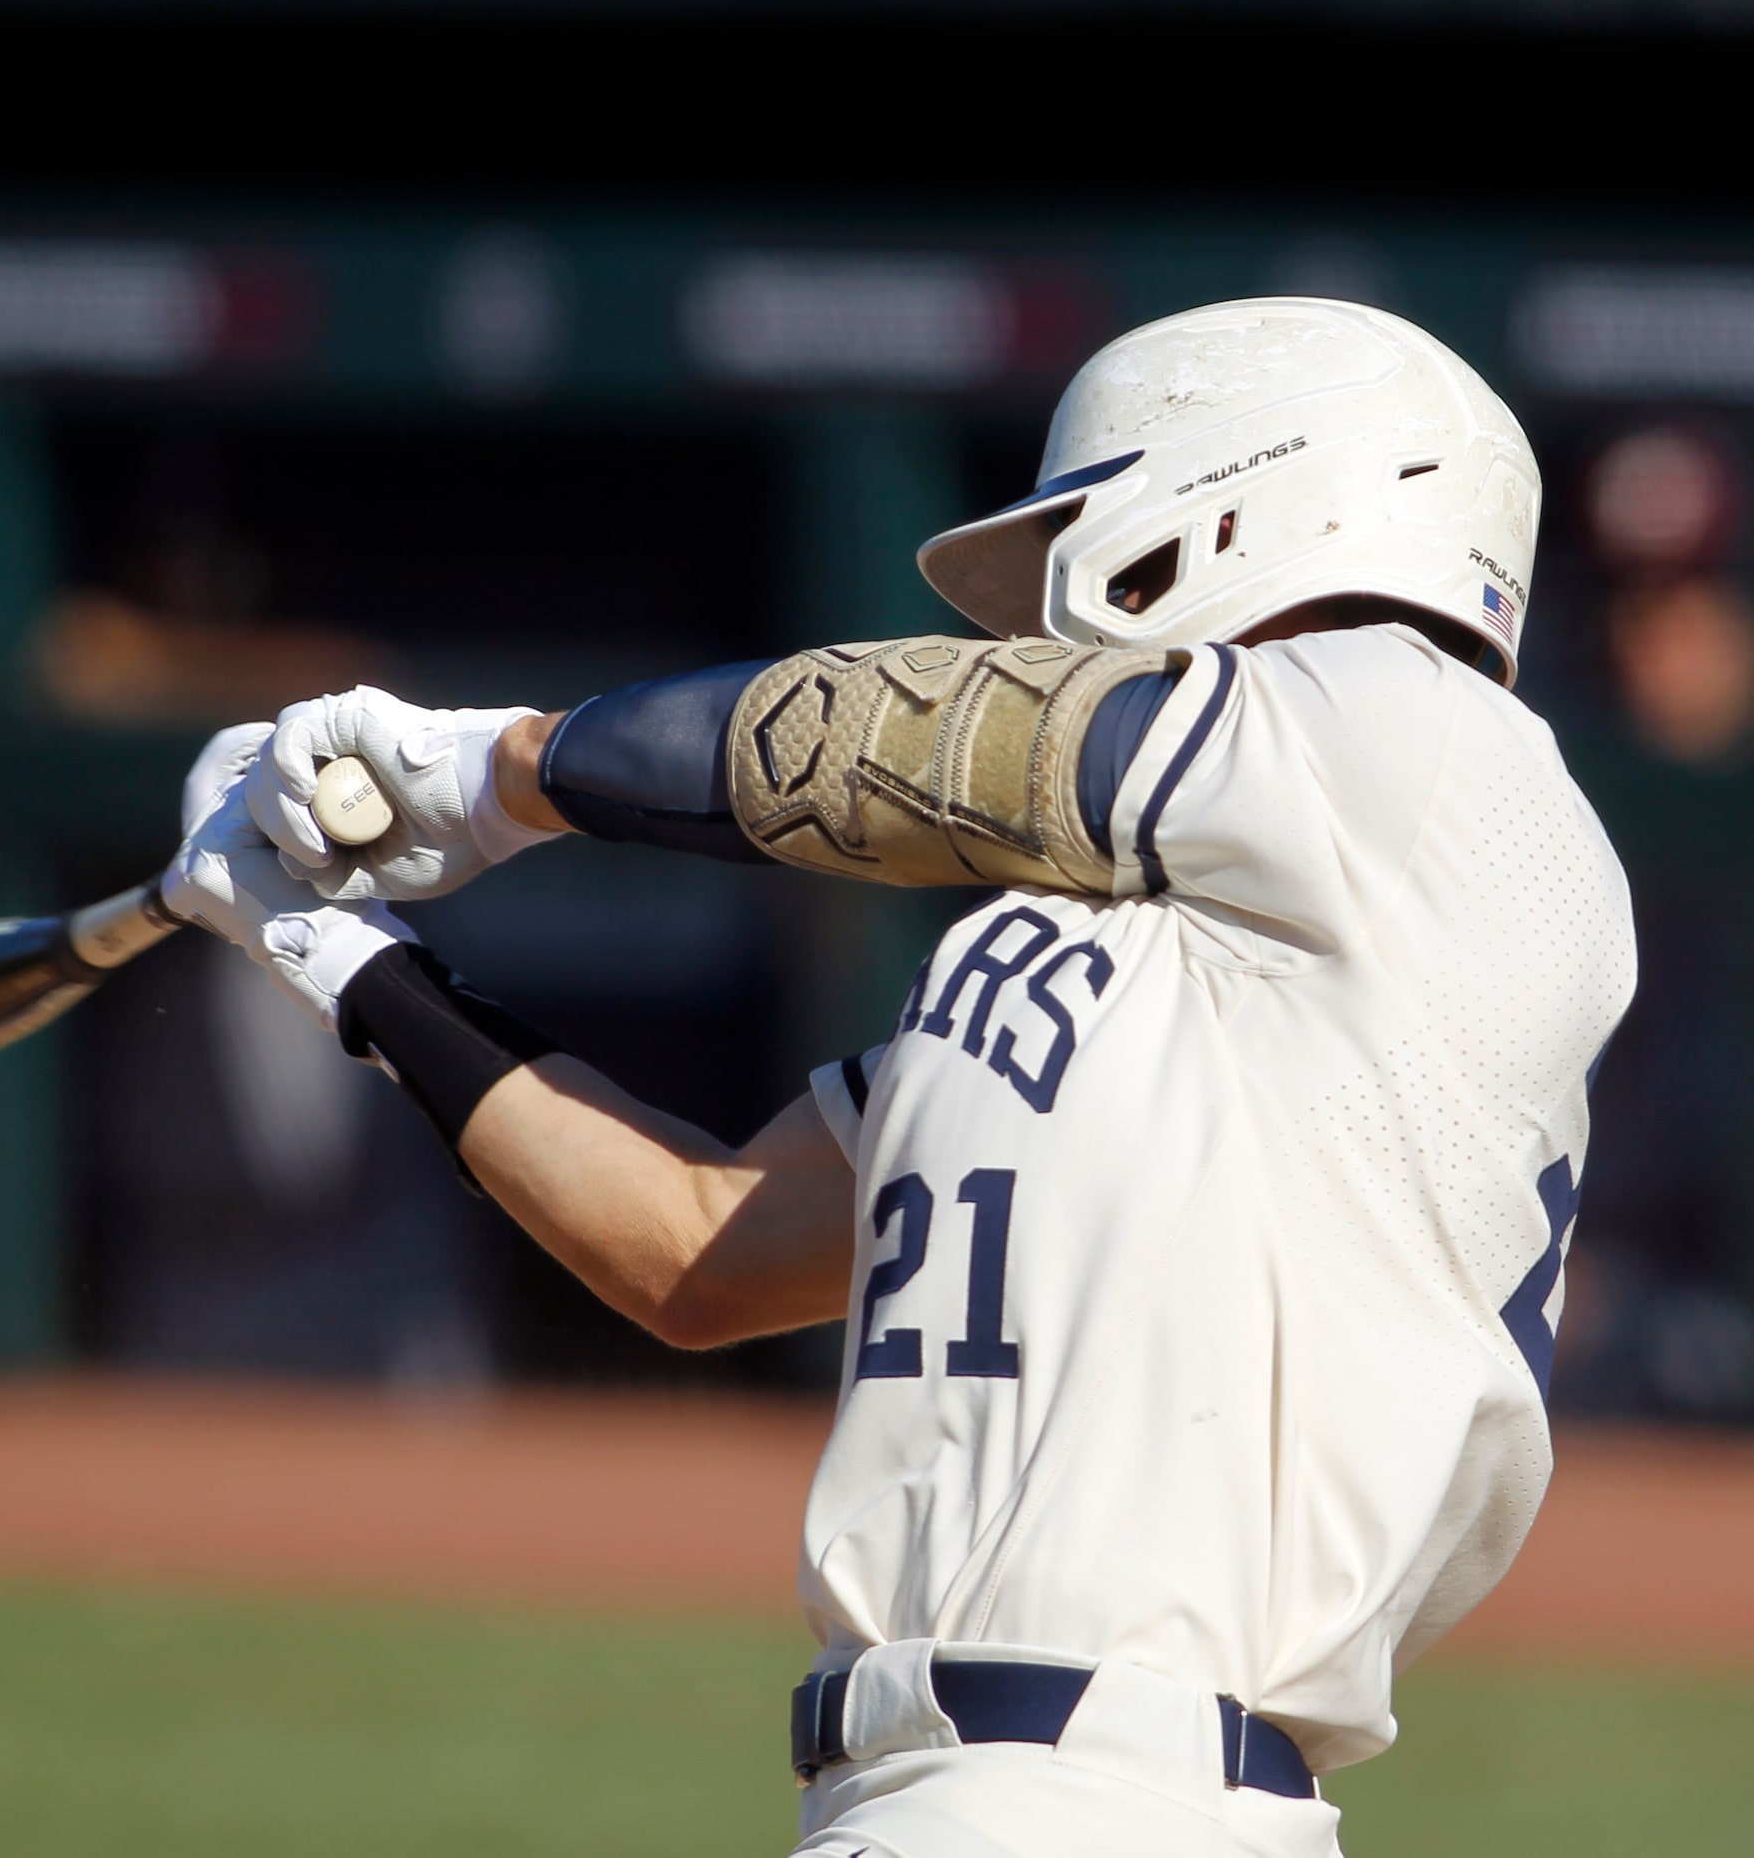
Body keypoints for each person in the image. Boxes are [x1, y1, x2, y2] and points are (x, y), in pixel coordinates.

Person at [162, 300, 1634, 1857]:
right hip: (946, 1796)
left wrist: (499, 769)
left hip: (1111, 1789)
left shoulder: (1425, 747)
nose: (1059, 609)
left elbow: (941, 737)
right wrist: (342, 959)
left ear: (1255, 500)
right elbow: (693, 1242)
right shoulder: (1192, 962)